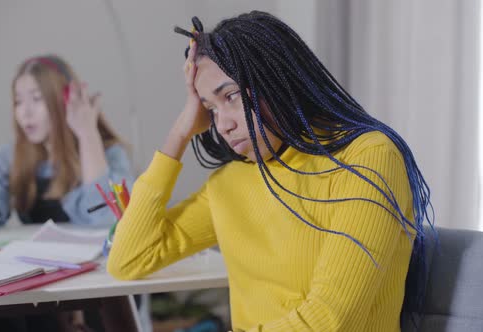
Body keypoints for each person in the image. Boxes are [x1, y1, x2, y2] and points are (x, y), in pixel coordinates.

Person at [107, 11, 434, 332]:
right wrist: (179, 134)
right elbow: (129, 259)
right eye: (209, 109)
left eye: (231, 96)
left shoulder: (368, 157)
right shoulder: (229, 184)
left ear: (275, 80)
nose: (223, 125)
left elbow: (331, 321)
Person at [0, 54, 137, 332]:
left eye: (36, 99)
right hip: (40, 278)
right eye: (18, 101)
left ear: (65, 102)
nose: (24, 112)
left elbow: (107, 220)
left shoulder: (109, 153)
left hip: (95, 283)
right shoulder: (12, 156)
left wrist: (87, 133)